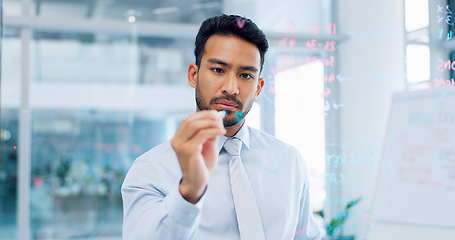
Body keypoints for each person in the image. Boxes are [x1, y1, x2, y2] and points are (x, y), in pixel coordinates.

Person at [121, 14, 322, 240]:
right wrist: (189, 191)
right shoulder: (150, 170)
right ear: (194, 75)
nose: (231, 87)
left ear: (258, 88)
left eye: (245, 75)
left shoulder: (290, 162)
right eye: (218, 70)